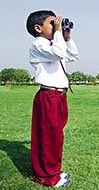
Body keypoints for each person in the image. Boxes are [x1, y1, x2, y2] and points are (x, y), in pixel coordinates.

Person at [26, 10, 79, 187]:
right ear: (38, 28)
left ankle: (54, 171)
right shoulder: (39, 45)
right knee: (48, 138)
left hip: (59, 96)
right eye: (52, 23)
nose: (57, 25)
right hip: (48, 96)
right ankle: (46, 177)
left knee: (56, 137)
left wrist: (67, 37)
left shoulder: (53, 45)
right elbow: (58, 53)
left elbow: (72, 56)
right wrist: (58, 34)